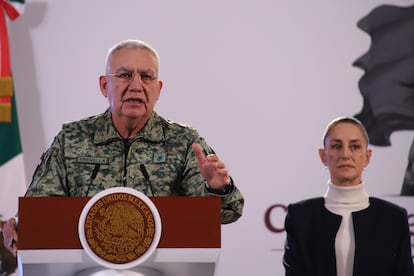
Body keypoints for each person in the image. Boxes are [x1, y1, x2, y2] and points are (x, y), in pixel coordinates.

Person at [2, 39, 244, 257]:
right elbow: (40, 208)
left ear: (158, 89)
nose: (136, 85)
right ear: (104, 85)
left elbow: (229, 212)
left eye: (146, 77)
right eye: (125, 75)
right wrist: (22, 223)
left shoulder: (183, 142)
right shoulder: (73, 138)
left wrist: (218, 189)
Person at [283, 116, 414, 276]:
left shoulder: (393, 217)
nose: (345, 154)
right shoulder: (300, 216)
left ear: (367, 156)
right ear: (323, 156)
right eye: (337, 146)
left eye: (355, 146)